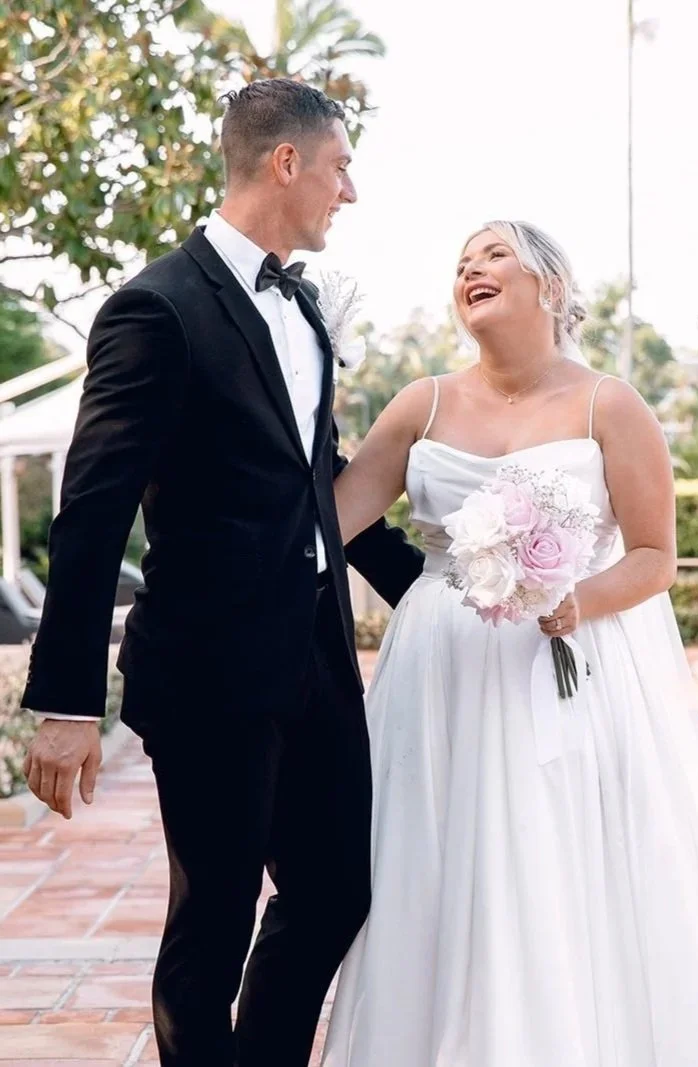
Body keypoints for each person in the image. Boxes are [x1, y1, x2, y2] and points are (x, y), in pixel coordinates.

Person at [322, 221, 698, 1065]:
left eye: (492, 255)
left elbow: (654, 557)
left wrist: (575, 600)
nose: (470, 269)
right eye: (461, 263)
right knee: (426, 862)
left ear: (550, 286)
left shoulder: (609, 403)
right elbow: (329, 520)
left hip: (558, 663)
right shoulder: (420, 402)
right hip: (437, 669)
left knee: (549, 861)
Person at [20, 78, 422, 1067]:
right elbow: (94, 506)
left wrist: (431, 591)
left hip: (316, 664)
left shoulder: (305, 306)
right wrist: (68, 696)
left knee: (337, 886)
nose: (350, 192)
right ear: (286, 163)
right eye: (340, 167)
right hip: (206, 671)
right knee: (215, 915)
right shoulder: (154, 309)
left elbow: (316, 480)